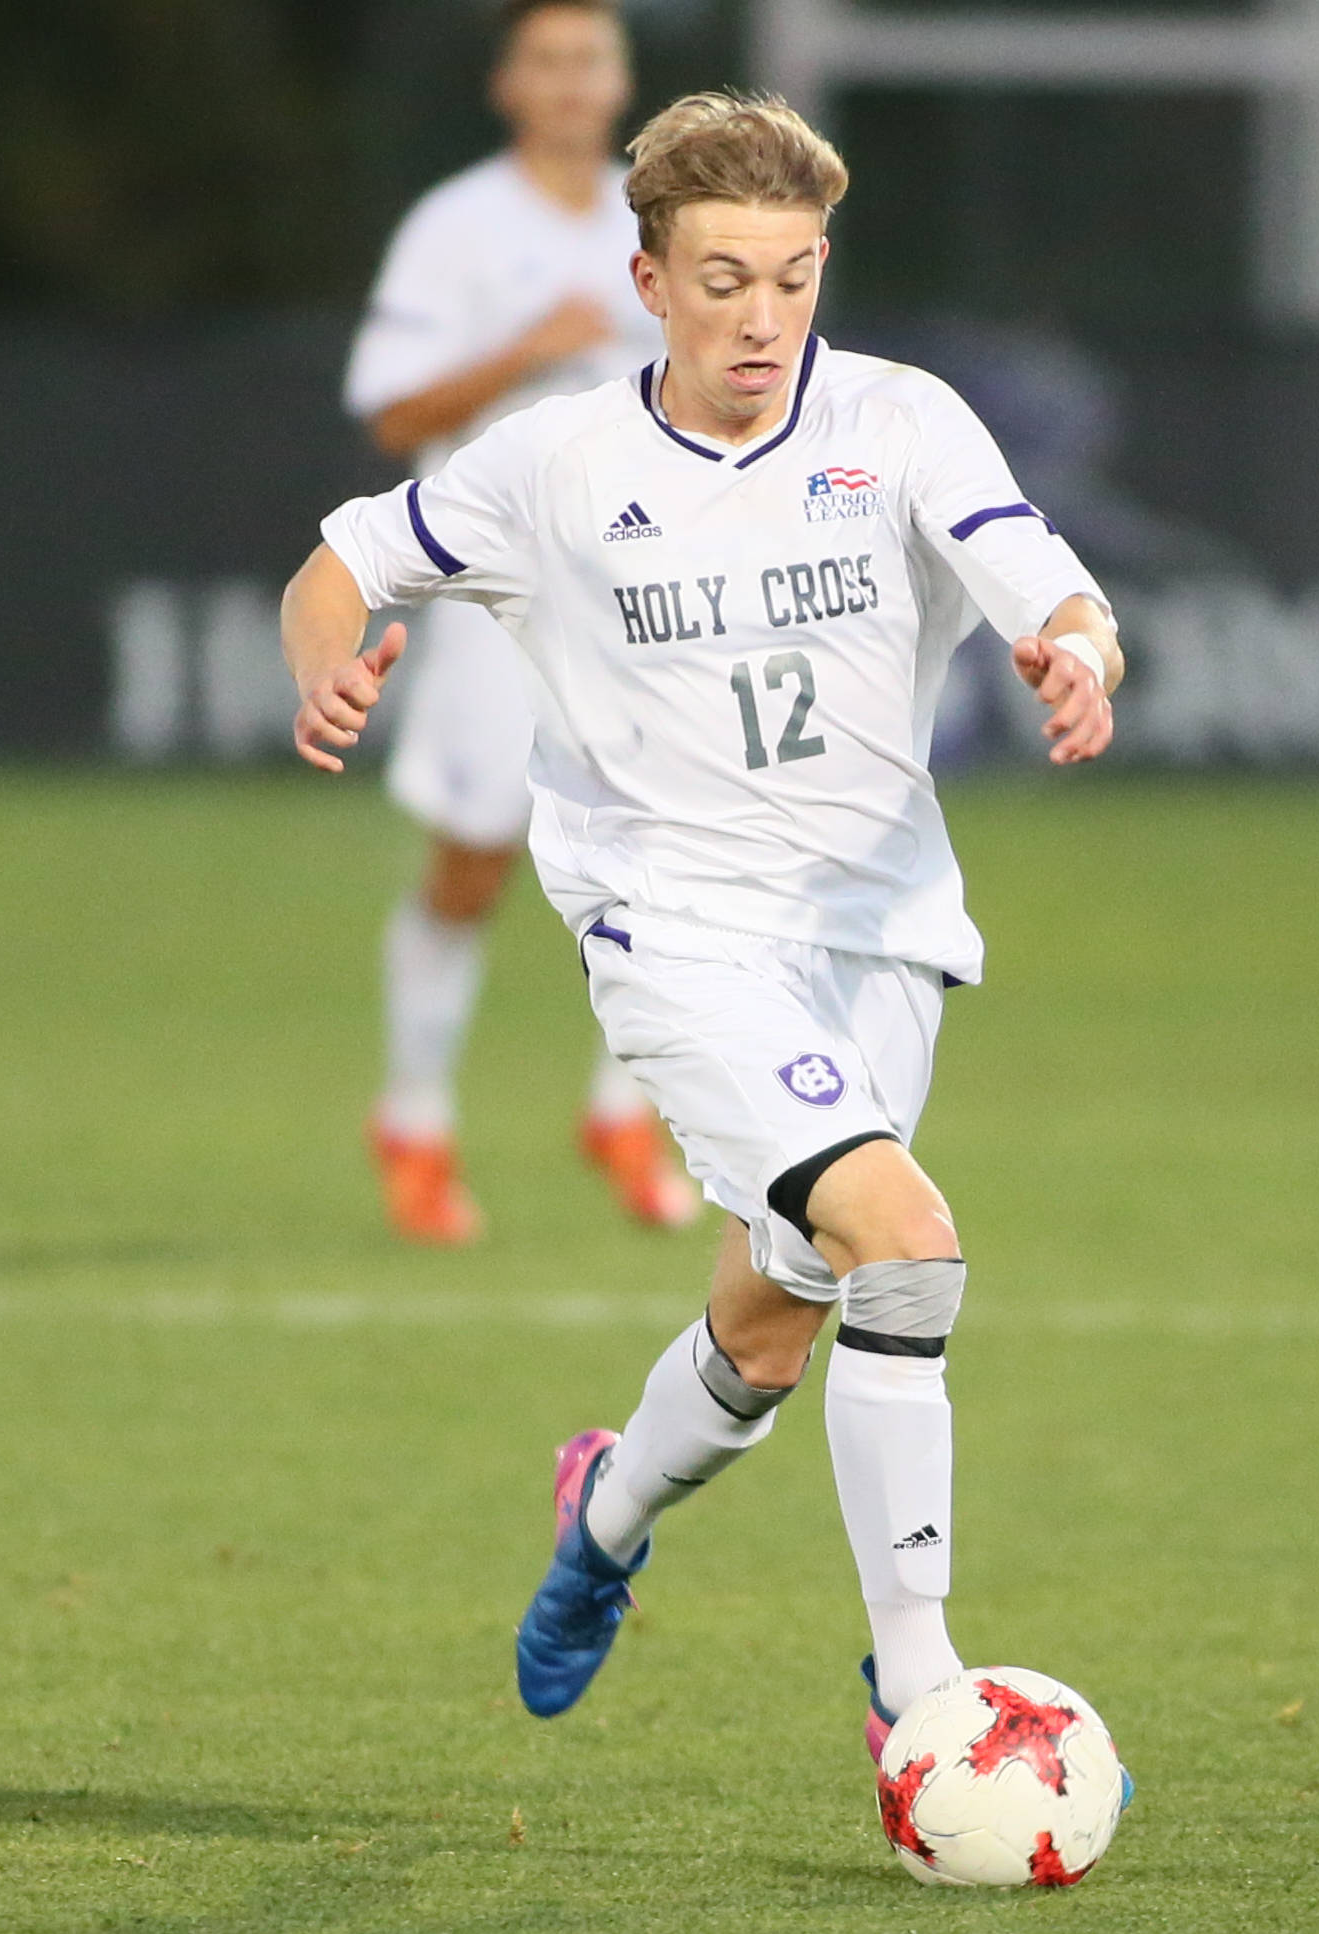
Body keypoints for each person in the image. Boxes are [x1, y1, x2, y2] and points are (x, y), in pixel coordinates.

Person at [283, 92, 1128, 1774]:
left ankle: (599, 1511)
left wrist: (1076, 651)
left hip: (877, 931)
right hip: (670, 929)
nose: (762, 319)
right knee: (902, 1236)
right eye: (724, 279)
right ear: (648, 277)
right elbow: (341, 556)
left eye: (794, 278)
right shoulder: (556, 462)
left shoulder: (898, 423)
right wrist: (329, 657)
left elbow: (1042, 572)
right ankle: (919, 1687)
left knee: (771, 1316)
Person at [347, 0, 694, 1246]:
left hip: (645, 596)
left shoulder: (659, 221)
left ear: (620, 83)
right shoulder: (457, 226)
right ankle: (415, 1119)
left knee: (682, 860)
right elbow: (391, 416)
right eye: (546, 59)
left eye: (589, 59)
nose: (568, 80)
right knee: (476, 855)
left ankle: (624, 1110)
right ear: (509, 81)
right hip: (500, 590)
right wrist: (524, 347)